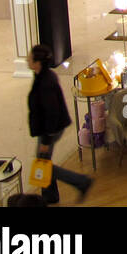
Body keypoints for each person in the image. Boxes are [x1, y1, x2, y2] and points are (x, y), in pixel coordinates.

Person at [27, 44, 92, 205]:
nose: (27, 60)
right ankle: (50, 195)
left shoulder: (45, 83)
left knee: (44, 164)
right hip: (48, 129)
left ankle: (80, 181)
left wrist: (46, 141)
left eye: (30, 58)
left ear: (37, 62)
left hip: (49, 131)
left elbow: (51, 112)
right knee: (43, 162)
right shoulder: (42, 76)